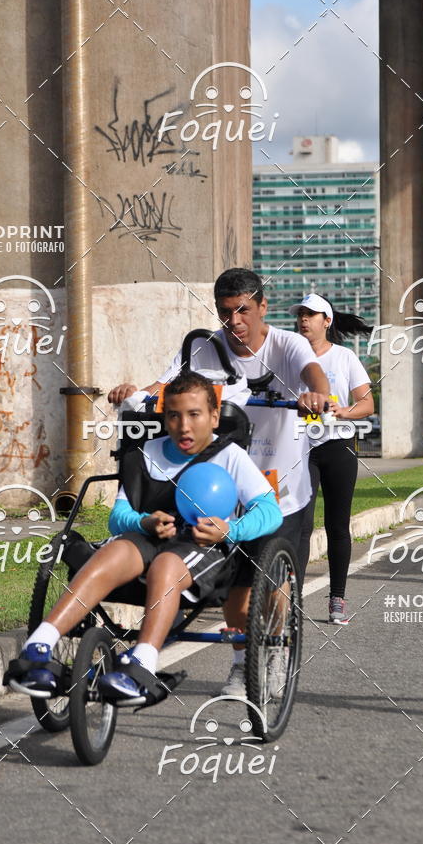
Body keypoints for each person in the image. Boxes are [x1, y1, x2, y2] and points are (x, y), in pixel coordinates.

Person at [108, 267, 330, 696]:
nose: (235, 322)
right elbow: (167, 385)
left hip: (280, 485)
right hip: (221, 482)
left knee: (275, 586)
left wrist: (315, 395)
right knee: (238, 583)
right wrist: (137, 393)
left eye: (244, 310)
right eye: (226, 312)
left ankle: (277, 651)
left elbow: (313, 374)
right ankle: (240, 664)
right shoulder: (203, 347)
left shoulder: (289, 343)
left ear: (263, 307)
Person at [5, 372, 283, 701]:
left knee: (165, 564)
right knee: (113, 552)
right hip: (148, 538)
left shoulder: (229, 456)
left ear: (213, 416)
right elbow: (118, 518)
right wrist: (144, 522)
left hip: (201, 548)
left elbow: (270, 510)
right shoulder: (144, 452)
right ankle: (40, 644)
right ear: (164, 417)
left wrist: (230, 528)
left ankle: (142, 663)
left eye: (194, 415)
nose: (184, 426)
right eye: (174, 415)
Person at [292, 294, 374, 624]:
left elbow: (367, 405)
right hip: (300, 449)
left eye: (311, 314)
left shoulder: (344, 357)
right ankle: (292, 598)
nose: (303, 319)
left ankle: (337, 598)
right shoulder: (289, 355)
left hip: (338, 447)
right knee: (300, 524)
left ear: (326, 321)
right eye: (300, 314)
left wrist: (345, 412)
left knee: (337, 526)